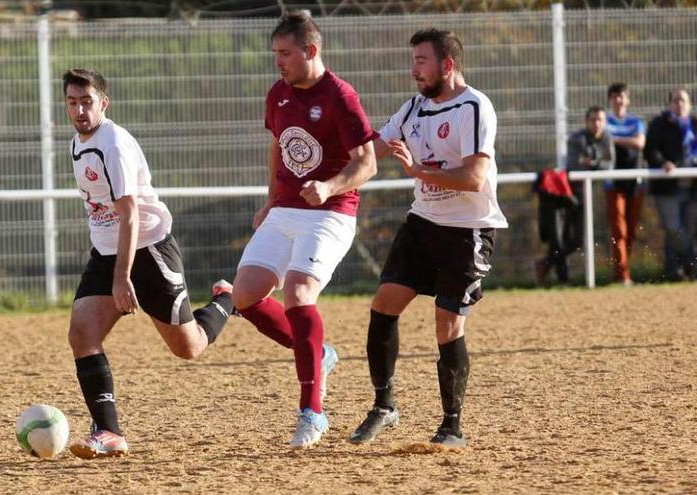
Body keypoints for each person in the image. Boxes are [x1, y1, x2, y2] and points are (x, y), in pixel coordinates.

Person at [62, 68, 235, 459]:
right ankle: (109, 432)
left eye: (87, 102)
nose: (79, 110)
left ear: (103, 103)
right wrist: (111, 266)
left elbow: (130, 214)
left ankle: (227, 299)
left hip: (148, 250)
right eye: (72, 102)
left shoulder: (113, 144)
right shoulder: (77, 141)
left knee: (187, 348)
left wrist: (123, 278)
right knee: (82, 334)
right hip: (108, 254)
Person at [347, 28, 507, 449]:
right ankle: (385, 406)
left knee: (447, 323)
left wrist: (420, 174)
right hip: (422, 224)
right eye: (414, 60)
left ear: (447, 65)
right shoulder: (414, 106)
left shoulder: (473, 107)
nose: (413, 69)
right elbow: (373, 148)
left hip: (467, 230)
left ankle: (451, 425)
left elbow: (474, 177)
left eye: (422, 61)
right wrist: (327, 157)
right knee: (384, 304)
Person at [230, 11, 378, 449]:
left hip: (331, 213)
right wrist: (271, 199)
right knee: (244, 296)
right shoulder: (278, 93)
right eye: (275, 53)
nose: (278, 62)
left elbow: (366, 162)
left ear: (310, 51)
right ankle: (320, 353)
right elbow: (278, 148)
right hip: (286, 210)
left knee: (297, 293)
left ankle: (312, 412)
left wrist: (329, 186)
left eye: (285, 53)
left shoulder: (340, 96)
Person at [535, 106, 615, 284]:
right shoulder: (577, 138)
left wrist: (592, 163)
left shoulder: (607, 137)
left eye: (600, 119)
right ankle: (556, 273)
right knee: (567, 238)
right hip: (568, 193)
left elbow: (610, 164)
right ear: (587, 121)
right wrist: (597, 164)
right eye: (593, 119)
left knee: (577, 239)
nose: (596, 123)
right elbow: (576, 165)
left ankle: (545, 265)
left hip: (586, 190)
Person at [644, 87, 697, 281]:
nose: (679, 104)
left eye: (683, 100)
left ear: (689, 104)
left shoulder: (694, 124)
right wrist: (663, 162)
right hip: (667, 187)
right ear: (669, 104)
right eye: (675, 100)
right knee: (674, 228)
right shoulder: (659, 124)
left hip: (692, 187)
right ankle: (692, 264)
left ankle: (674, 271)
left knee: (686, 231)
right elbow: (650, 150)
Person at [605, 83, 646, 286]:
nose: (618, 100)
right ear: (610, 100)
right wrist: (625, 140)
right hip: (613, 182)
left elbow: (640, 143)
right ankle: (623, 275)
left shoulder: (636, 121)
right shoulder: (606, 121)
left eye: (621, 96)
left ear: (627, 100)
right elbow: (603, 141)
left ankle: (621, 271)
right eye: (614, 96)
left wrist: (615, 139)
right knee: (619, 229)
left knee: (630, 230)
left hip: (635, 181)